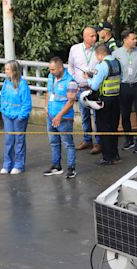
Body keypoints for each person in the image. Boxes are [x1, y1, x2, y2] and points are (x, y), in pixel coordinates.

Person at [85, 44, 122, 165]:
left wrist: (88, 79)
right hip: (116, 98)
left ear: (100, 54)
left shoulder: (101, 66)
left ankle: (107, 157)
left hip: (104, 100)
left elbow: (94, 86)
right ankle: (115, 154)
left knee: (103, 128)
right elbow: (121, 79)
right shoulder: (117, 63)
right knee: (113, 128)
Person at [68, 26, 101, 154]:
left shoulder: (98, 50)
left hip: (94, 87)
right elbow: (70, 66)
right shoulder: (75, 49)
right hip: (81, 87)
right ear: (84, 37)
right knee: (85, 115)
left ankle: (98, 142)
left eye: (95, 36)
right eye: (92, 36)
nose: (95, 38)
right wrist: (74, 82)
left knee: (98, 116)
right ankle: (87, 139)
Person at [43, 57, 78, 179]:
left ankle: (71, 168)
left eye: (53, 69)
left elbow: (70, 102)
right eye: (50, 69)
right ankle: (56, 166)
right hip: (51, 116)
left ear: (60, 68)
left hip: (64, 118)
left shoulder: (70, 81)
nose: (51, 72)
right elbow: (48, 92)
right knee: (53, 142)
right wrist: (46, 107)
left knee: (68, 144)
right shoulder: (51, 77)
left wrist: (59, 116)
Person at [0, 60, 32, 175]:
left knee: (19, 141)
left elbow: (26, 103)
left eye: (7, 69)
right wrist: (3, 110)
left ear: (14, 71)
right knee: (8, 140)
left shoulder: (23, 85)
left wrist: (21, 116)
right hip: (7, 115)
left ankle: (18, 165)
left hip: (19, 117)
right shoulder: (6, 82)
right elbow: (2, 96)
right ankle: (7, 164)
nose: (5, 71)